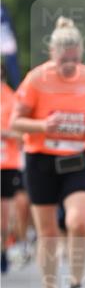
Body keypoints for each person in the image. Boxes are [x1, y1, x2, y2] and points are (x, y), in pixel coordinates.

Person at [11, 17, 85, 288]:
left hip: (77, 160)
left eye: (74, 60)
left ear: (81, 53)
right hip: (42, 161)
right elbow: (16, 122)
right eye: (64, 61)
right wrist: (44, 125)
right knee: (48, 231)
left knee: (78, 222)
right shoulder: (37, 79)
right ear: (52, 53)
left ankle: (77, 287)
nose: (69, 66)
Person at [1, 63, 24, 273]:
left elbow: (23, 134)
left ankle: (3, 250)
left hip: (6, 163)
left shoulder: (13, 98)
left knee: (4, 213)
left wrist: (5, 133)